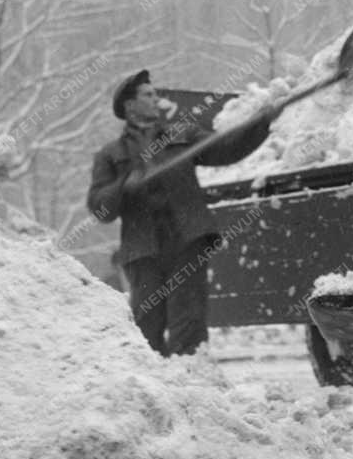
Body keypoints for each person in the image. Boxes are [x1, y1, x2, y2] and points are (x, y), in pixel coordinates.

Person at [87, 69, 272, 356]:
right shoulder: (110, 155)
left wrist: (260, 124)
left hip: (187, 240)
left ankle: (191, 383)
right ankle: (156, 388)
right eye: (148, 94)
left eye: (155, 93)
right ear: (130, 105)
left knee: (189, 323)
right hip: (143, 250)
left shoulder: (182, 134)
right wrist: (125, 185)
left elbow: (225, 148)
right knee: (146, 329)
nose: (156, 98)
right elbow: (100, 208)